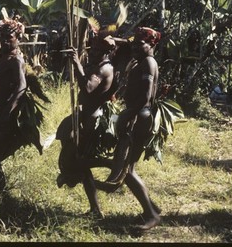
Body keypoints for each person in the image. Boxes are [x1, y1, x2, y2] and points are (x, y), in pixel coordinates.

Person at [97, 26, 162, 230]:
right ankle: (151, 209)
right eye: (133, 44)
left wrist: (127, 114)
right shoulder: (142, 61)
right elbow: (127, 44)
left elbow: (145, 96)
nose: (135, 47)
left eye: (139, 44)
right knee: (128, 168)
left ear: (151, 44)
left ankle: (151, 215)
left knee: (127, 169)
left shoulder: (149, 63)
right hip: (137, 114)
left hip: (139, 116)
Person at [0, 19, 43, 191]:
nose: (6, 40)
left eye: (10, 37)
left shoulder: (17, 60)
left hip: (7, 113)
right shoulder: (5, 56)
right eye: (4, 37)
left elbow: (22, 86)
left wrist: (8, 111)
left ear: (18, 38)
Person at [55, 34, 117, 218]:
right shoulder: (99, 65)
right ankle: (94, 208)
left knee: (81, 161)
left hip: (91, 121)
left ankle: (106, 167)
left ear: (106, 52)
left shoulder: (105, 68)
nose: (93, 52)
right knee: (80, 161)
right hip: (83, 117)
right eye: (93, 49)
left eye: (98, 50)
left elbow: (88, 87)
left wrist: (76, 63)